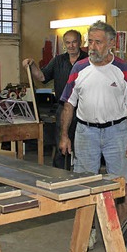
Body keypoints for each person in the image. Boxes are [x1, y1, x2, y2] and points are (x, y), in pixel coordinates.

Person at [59, 21, 127, 226]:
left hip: (118, 132)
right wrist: (64, 135)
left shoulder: (123, 69)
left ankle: (123, 230)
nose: (92, 47)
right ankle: (88, 230)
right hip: (86, 133)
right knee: (84, 184)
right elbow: (68, 104)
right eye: (90, 42)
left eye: (98, 42)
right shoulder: (79, 68)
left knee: (121, 184)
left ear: (111, 43)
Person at [23, 30, 88, 169]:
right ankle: (59, 178)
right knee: (62, 146)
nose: (71, 46)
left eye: (74, 42)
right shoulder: (58, 60)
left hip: (85, 110)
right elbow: (42, 77)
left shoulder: (88, 60)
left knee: (83, 148)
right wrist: (33, 64)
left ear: (80, 42)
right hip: (63, 109)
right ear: (64, 44)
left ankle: (81, 177)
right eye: (68, 43)